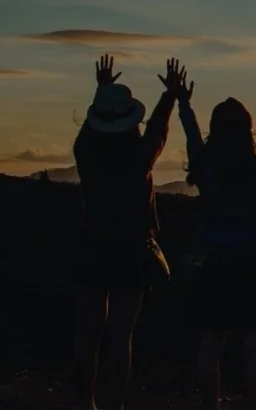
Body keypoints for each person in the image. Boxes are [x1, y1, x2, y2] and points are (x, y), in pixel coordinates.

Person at [179, 65, 256, 410]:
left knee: (210, 344)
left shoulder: (205, 168)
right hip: (252, 263)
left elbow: (191, 135)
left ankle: (211, 407)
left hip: (216, 262)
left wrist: (183, 103)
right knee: (255, 344)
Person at [71, 55, 182, 410]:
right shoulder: (139, 156)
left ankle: (85, 402)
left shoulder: (85, 151)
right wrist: (171, 94)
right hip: (131, 249)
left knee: (89, 332)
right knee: (121, 334)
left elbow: (95, 128)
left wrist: (102, 90)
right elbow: (160, 129)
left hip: (92, 243)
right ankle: (115, 405)